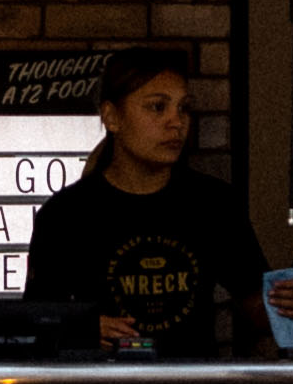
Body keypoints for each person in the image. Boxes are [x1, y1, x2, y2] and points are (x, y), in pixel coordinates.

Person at [23, 40, 262, 360]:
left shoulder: (213, 203)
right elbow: (35, 324)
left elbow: (256, 305)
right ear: (112, 117)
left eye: (183, 108)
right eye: (157, 107)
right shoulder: (67, 215)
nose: (176, 122)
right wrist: (82, 328)